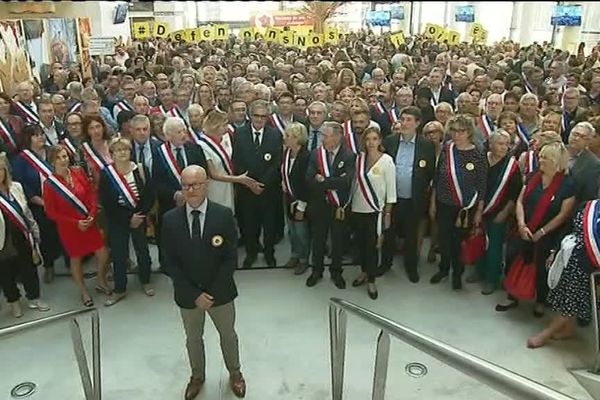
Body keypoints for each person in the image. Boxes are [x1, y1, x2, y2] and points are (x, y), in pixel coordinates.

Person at [162, 165, 246, 399]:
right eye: (186, 185)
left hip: (220, 292)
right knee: (193, 338)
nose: (192, 189)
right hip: (188, 295)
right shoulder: (170, 219)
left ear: (206, 185)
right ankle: (197, 376)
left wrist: (211, 292)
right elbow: (168, 262)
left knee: (228, 335)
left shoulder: (223, 214)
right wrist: (194, 294)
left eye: (196, 184)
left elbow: (230, 258)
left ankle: (235, 373)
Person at [497, 142, 576, 316]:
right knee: (511, 257)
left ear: (557, 161)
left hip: (548, 234)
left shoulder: (568, 184)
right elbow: (519, 201)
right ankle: (512, 295)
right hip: (523, 228)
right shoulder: (533, 175)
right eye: (541, 156)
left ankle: (541, 301)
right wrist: (522, 224)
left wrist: (542, 232)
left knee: (541, 268)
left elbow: (563, 215)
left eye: (545, 157)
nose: (540, 159)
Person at [43, 145, 111, 307]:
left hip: (89, 221)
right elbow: (51, 213)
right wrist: (75, 223)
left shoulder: (78, 172)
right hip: (70, 228)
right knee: (76, 259)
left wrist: (92, 214)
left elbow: (91, 194)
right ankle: (83, 291)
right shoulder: (49, 185)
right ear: (52, 161)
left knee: (103, 254)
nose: (62, 160)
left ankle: (101, 280)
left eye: (65, 156)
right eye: (58, 158)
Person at [527, 200, 600, 348]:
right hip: (571, 258)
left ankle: (545, 334)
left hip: (591, 266)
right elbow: (568, 228)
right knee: (566, 295)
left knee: (571, 300)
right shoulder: (587, 206)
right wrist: (554, 251)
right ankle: (568, 329)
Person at [429, 115, 487, 290]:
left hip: (466, 208)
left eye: (461, 131)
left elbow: (482, 184)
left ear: (469, 132)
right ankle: (443, 269)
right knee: (444, 240)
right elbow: (437, 177)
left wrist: (478, 211)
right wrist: (432, 202)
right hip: (444, 203)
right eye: (453, 130)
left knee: (458, 243)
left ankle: (457, 273)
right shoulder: (447, 149)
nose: (457, 135)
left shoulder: (477, 153)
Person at [380, 107, 436, 282]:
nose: (404, 123)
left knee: (412, 235)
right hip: (392, 199)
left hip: (413, 199)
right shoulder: (390, 141)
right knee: (389, 232)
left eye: (408, 120)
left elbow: (429, 173)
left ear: (417, 123)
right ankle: (385, 263)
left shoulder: (426, 145)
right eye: (402, 119)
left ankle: (411, 266)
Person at [99, 138, 156, 306]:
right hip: (118, 220)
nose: (122, 153)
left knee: (143, 252)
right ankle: (119, 289)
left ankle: (146, 281)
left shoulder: (141, 169)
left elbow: (149, 195)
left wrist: (140, 216)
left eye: (125, 149)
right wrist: (127, 219)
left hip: (139, 217)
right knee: (118, 254)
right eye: (118, 150)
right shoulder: (107, 173)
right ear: (112, 154)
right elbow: (107, 202)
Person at [232, 100, 283, 268]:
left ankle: (269, 254)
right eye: (256, 116)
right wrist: (250, 183)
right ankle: (251, 253)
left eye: (263, 116)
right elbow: (237, 161)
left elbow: (277, 162)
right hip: (247, 189)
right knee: (249, 224)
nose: (260, 119)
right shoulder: (239, 134)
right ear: (250, 116)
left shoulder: (275, 134)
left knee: (269, 225)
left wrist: (262, 184)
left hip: (268, 190)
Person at [305, 121, 356, 289]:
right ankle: (316, 271)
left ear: (337, 137)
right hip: (319, 206)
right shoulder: (315, 154)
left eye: (325, 136)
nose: (322, 139)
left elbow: (345, 182)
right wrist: (329, 182)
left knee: (338, 241)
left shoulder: (349, 156)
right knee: (318, 240)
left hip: (338, 207)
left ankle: (336, 272)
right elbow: (310, 179)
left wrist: (324, 181)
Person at [12, 124, 63, 283]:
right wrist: (43, 202)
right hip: (39, 204)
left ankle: (73, 260)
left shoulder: (52, 151)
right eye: (36, 135)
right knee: (47, 235)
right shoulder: (21, 159)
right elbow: (22, 185)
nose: (40, 137)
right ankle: (49, 266)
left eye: (41, 134)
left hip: (62, 200)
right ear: (28, 139)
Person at [472, 130, 522, 294]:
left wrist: (504, 213)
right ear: (491, 144)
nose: (503, 147)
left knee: (494, 247)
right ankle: (478, 270)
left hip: (499, 212)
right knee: (478, 241)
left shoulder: (512, 166)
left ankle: (491, 279)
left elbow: (514, 195)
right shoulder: (481, 159)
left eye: (506, 144)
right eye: (500, 144)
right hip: (477, 208)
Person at [0, 153, 49, 318]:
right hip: (3, 241)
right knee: (6, 273)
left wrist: (35, 235)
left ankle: (34, 297)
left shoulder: (16, 187)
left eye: (1, 169)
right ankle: (13, 302)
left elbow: (27, 214)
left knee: (29, 268)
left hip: (22, 236)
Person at [351, 127, 396, 299]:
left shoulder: (387, 161)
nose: (371, 142)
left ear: (380, 141)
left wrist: (387, 214)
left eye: (374, 138)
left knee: (372, 247)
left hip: (375, 211)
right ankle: (363, 271)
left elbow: (391, 191)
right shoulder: (359, 159)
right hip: (357, 208)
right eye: (367, 139)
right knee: (360, 244)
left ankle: (371, 280)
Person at [196, 110, 257, 210]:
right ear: (215, 126)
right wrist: (238, 179)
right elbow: (213, 174)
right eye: (224, 125)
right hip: (216, 187)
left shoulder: (227, 138)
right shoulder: (202, 145)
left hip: (230, 185)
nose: (227, 127)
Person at [281, 122, 311, 275]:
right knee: (292, 230)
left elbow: (307, 184)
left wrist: (302, 206)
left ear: (297, 138)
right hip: (288, 199)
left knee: (301, 232)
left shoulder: (306, 156)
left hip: (301, 201)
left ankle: (304, 259)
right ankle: (294, 255)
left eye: (288, 136)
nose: (284, 138)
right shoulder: (287, 153)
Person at [0, 92, 24, 156]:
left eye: (6, 103)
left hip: (22, 154)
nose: (3, 106)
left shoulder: (18, 119)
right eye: (0, 103)